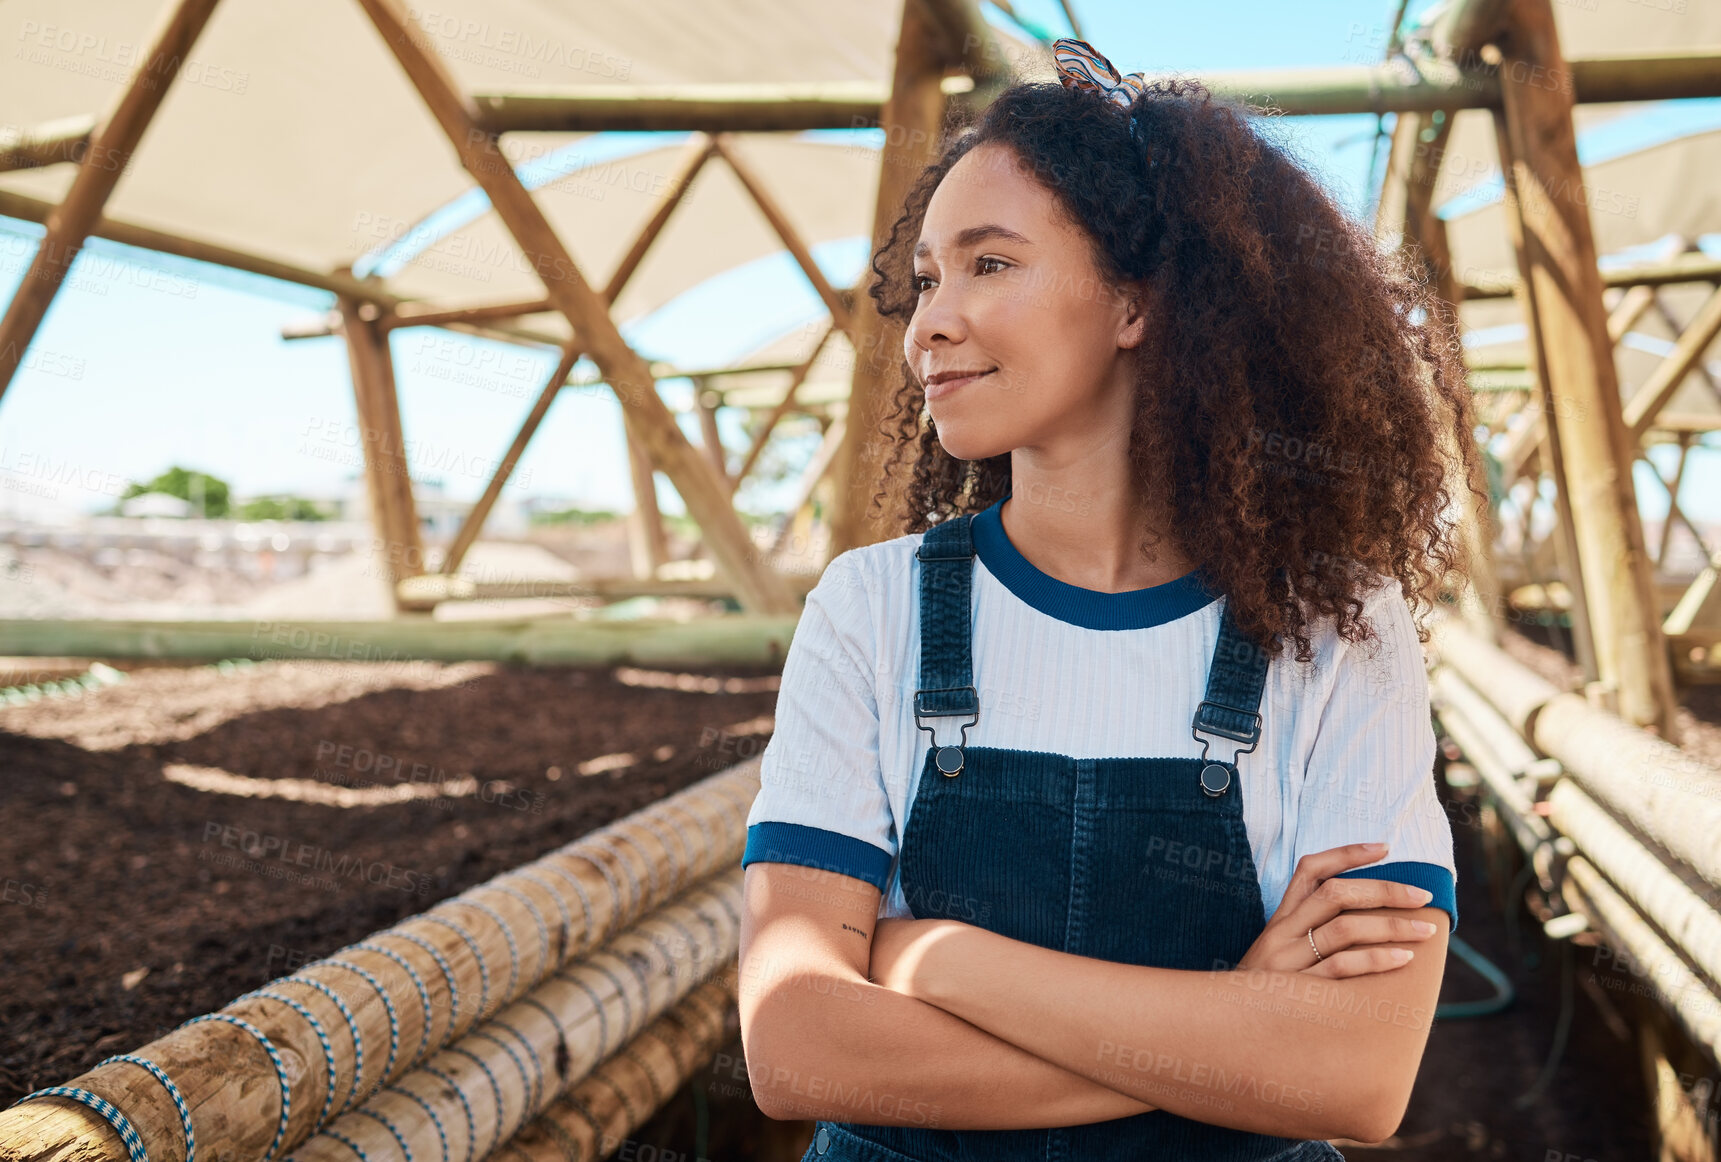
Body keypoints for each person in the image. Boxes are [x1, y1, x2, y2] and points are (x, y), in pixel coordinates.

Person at [737, 35, 1481, 1162]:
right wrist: (1230, 1036)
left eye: (988, 265)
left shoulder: (1334, 625)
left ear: (1134, 302)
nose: (927, 322)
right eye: (926, 277)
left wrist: (935, 957)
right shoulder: (870, 607)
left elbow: (1354, 1073)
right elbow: (797, 1049)